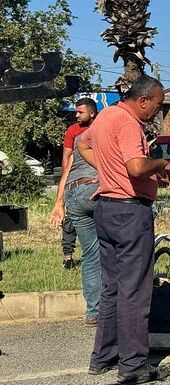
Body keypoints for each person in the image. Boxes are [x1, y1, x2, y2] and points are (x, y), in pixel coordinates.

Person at [77, 75, 170, 384]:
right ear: (143, 100)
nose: (158, 111)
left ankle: (103, 357)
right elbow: (135, 167)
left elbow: (83, 144)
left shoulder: (106, 114)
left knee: (113, 286)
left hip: (106, 208)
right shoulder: (130, 123)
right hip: (129, 212)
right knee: (135, 289)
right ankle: (133, 364)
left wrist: (109, 171)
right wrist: (160, 164)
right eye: (158, 105)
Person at [50, 97, 101, 325]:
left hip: (74, 194)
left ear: (92, 113)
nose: (76, 115)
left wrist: (60, 203)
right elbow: (66, 163)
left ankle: (93, 312)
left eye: (80, 112)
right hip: (93, 189)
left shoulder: (85, 134)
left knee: (91, 254)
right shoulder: (92, 130)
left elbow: (67, 168)